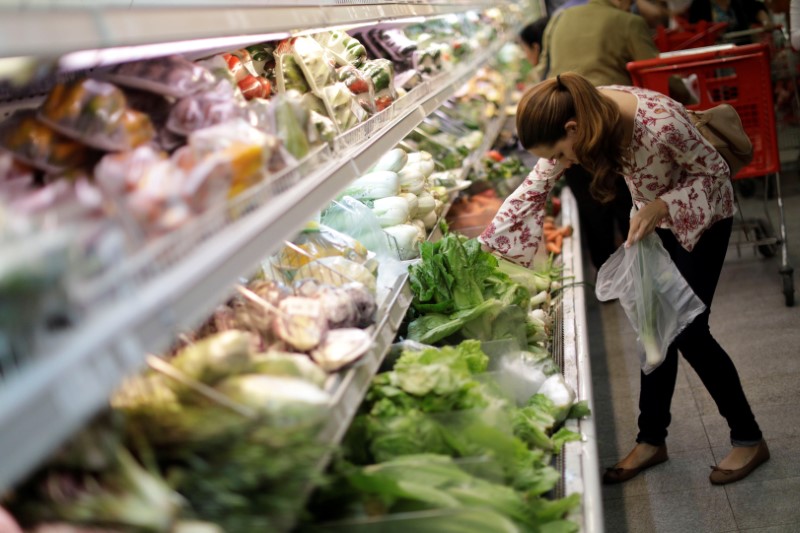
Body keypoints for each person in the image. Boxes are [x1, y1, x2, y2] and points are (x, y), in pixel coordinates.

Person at [479, 72, 769, 485]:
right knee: (653, 329)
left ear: (572, 130)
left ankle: (749, 438)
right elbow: (537, 183)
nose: (566, 163)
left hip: (702, 218)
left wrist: (663, 205)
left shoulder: (657, 123)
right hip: (652, 221)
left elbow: (716, 176)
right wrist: (490, 246)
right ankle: (651, 440)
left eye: (564, 152)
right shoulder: (580, 113)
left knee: (687, 330)